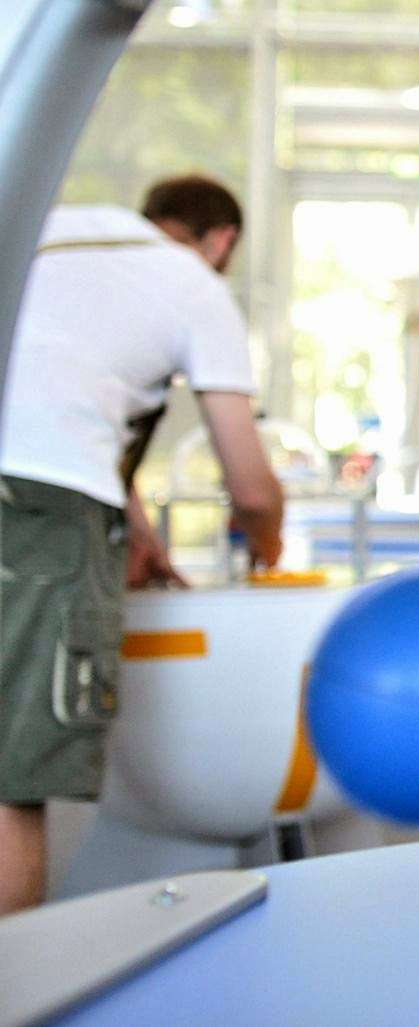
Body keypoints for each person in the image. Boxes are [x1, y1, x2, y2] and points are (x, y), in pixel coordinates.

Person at [0, 173, 285, 914]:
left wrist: (137, 531)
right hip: (39, 516)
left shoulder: (59, 228)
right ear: (221, 240)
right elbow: (250, 483)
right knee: (9, 777)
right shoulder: (194, 284)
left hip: (39, 481)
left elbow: (50, 392)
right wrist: (269, 541)